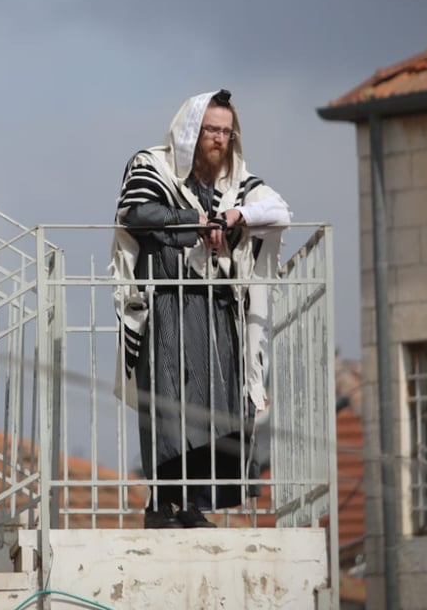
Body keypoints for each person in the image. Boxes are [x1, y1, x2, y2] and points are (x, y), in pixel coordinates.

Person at [110, 89, 291, 529]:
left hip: (216, 312)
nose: (219, 140)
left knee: (214, 409)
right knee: (170, 409)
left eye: (227, 132)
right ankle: (161, 506)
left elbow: (280, 210)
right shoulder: (151, 165)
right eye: (212, 129)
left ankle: (193, 505)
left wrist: (235, 219)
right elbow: (136, 212)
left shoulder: (235, 186)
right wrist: (193, 224)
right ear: (193, 130)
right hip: (167, 305)